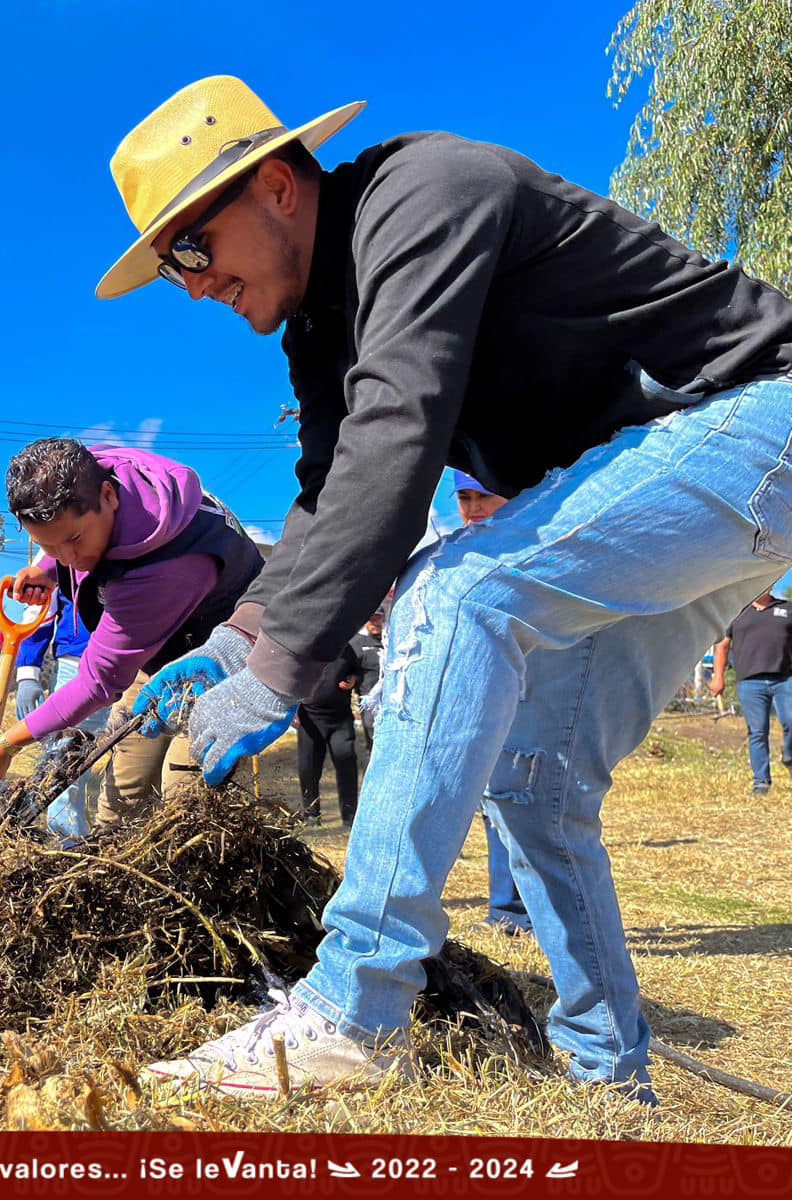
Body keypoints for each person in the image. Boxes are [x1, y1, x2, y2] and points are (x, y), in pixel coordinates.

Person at [94, 76, 792, 1100]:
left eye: (192, 249)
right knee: (535, 788)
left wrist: (281, 673)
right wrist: (236, 641)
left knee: (455, 592)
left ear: (277, 187)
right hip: (674, 498)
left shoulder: (423, 194)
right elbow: (331, 494)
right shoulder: (317, 330)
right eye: (170, 270)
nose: (192, 285)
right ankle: (610, 1077)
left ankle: (349, 1008)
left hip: (753, 423)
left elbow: (397, 438)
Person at [0, 439, 261, 822]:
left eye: (73, 540)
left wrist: (6, 744)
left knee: (187, 798)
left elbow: (98, 684)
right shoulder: (98, 468)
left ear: (108, 494)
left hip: (229, 661)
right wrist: (49, 569)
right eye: (47, 544)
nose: (70, 558)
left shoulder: (163, 570)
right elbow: (68, 537)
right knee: (123, 797)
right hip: (164, 651)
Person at [451, 471, 532, 935]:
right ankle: (507, 909)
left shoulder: (533, 545)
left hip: (532, 689)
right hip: (479, 693)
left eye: (485, 495)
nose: (474, 506)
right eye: (465, 497)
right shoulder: (457, 552)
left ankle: (532, 910)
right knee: (494, 799)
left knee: (531, 802)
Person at [13, 588, 107, 840]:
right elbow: (40, 608)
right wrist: (27, 673)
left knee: (125, 768)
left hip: (141, 664)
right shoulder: (59, 557)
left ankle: (113, 845)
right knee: (66, 770)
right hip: (77, 665)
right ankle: (68, 847)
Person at [711, 591, 792, 794]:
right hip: (750, 683)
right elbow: (722, 647)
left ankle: (789, 757)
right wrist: (718, 677)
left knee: (791, 721)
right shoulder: (737, 612)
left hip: (785, 678)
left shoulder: (787, 608)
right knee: (757, 731)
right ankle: (761, 782)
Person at [294, 641, 359, 826]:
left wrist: (354, 680)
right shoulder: (305, 649)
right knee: (308, 769)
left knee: (346, 763)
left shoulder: (346, 649)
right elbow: (291, 678)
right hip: (310, 719)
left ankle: (350, 816)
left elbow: (357, 671)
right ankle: (312, 815)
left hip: (340, 719)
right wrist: (291, 712)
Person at [348, 608, 383, 751]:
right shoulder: (356, 643)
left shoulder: (392, 639)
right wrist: (352, 679)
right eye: (370, 619)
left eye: (377, 619)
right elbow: (348, 669)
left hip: (392, 697)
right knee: (372, 731)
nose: (374, 623)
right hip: (369, 698)